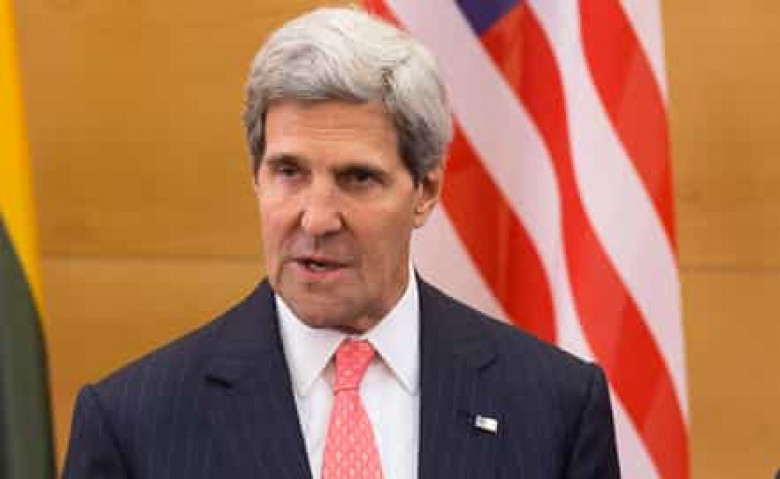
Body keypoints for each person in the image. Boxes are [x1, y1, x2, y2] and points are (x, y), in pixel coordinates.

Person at [63, 7, 619, 478]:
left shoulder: (556, 408)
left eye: (357, 178)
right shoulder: (132, 425)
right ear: (256, 175)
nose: (317, 218)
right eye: (289, 172)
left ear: (425, 191)